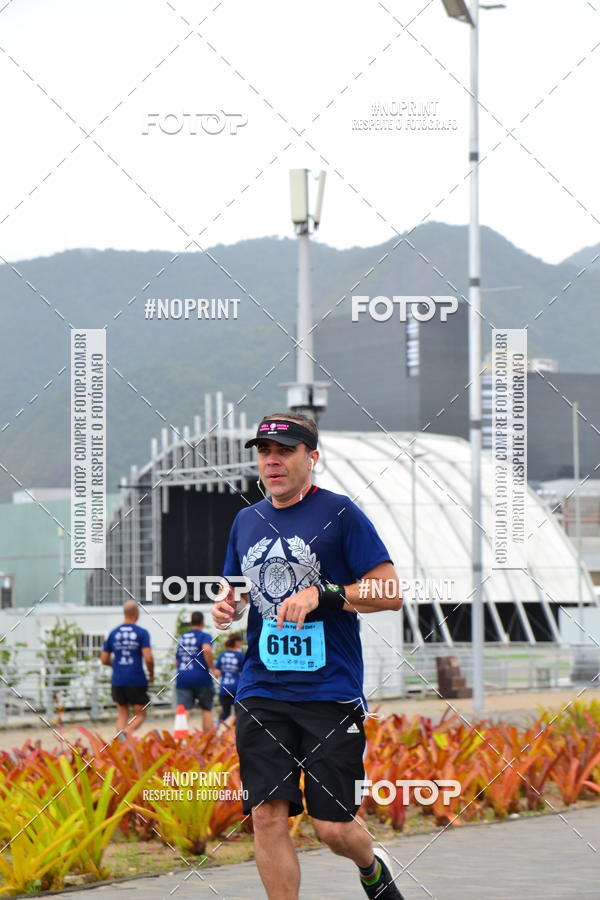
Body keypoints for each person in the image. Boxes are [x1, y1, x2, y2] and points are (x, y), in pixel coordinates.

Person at [212, 412, 405, 900]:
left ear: (311, 457)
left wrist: (324, 594)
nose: (272, 460)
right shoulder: (246, 520)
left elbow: (389, 592)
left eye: (285, 451)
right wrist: (228, 605)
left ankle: (370, 865)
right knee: (266, 815)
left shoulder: (341, 513)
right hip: (261, 689)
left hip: (329, 691)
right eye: (264, 451)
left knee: (333, 829)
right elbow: (237, 588)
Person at [100, 600, 154, 738]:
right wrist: (151, 674)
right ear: (136, 614)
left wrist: (116, 665)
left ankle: (121, 743)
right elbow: (148, 658)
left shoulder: (113, 633)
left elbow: (104, 659)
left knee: (122, 713)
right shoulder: (142, 633)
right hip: (136, 678)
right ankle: (125, 735)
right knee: (140, 714)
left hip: (118, 679)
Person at [175, 611, 215, 732]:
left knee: (184, 711)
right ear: (203, 622)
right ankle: (207, 739)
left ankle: (179, 738)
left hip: (183, 676)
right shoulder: (205, 636)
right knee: (206, 709)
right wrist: (212, 668)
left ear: (191, 623)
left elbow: (177, 659)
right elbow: (206, 650)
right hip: (201, 676)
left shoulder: (182, 637)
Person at [214, 633, 244, 723]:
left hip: (224, 688)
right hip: (236, 689)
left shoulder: (222, 655)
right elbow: (243, 673)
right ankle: (234, 730)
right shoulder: (240, 656)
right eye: (240, 641)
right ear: (236, 642)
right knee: (239, 714)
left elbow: (217, 672)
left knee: (225, 712)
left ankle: (216, 728)